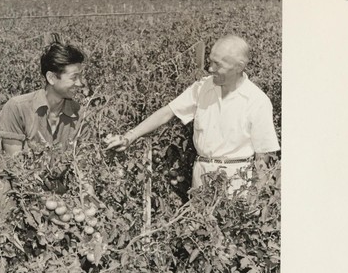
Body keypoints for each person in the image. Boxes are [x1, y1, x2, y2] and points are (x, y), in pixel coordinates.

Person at [104, 35, 280, 192]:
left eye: (218, 64)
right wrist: (129, 137)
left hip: (236, 181)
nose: (210, 69)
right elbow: (167, 112)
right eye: (211, 61)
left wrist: (255, 198)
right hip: (201, 175)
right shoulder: (203, 87)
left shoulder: (257, 101)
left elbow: (263, 155)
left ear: (238, 67)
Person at [0, 33, 88, 194]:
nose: (80, 83)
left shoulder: (80, 114)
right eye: (74, 78)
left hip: (57, 199)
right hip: (17, 197)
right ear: (51, 78)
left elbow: (82, 168)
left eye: (81, 76)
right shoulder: (17, 108)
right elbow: (17, 169)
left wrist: (87, 195)